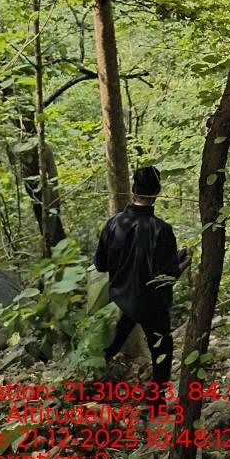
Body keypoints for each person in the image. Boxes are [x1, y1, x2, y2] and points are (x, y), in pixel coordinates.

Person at [94, 166, 182, 394]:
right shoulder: (162, 229)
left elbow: (100, 265)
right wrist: (182, 263)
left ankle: (87, 384)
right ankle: (156, 401)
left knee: (109, 346)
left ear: (133, 188)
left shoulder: (113, 224)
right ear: (157, 192)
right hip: (152, 305)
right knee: (162, 352)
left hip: (120, 301)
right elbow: (168, 276)